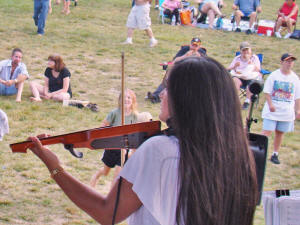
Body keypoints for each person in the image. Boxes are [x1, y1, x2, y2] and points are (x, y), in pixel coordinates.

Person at [28, 56, 258, 225]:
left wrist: (55, 167)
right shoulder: (238, 151)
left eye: (169, 88)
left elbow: (107, 212)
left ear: (187, 99)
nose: (162, 94)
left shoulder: (160, 149)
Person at [89, 89, 139, 188]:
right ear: (120, 100)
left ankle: (110, 197)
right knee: (105, 172)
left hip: (124, 150)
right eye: (124, 97)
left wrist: (133, 151)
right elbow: (103, 126)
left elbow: (136, 135)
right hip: (111, 147)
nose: (126, 99)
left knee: (117, 176)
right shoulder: (115, 113)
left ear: (133, 100)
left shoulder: (135, 116)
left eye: (129, 97)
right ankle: (96, 176)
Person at [261, 53, 300, 165]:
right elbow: (267, 92)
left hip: (286, 111)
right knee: (266, 132)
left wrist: (298, 110)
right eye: (287, 61)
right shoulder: (274, 75)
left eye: (291, 61)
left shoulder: (295, 78)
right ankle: (261, 152)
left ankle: (275, 154)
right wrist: (270, 104)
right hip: (272, 110)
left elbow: (297, 97)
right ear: (282, 62)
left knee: (280, 133)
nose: (289, 63)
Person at [147, 37, 207, 103]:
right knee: (169, 74)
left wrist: (199, 58)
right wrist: (185, 56)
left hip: (195, 74)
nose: (194, 48)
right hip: (182, 70)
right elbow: (174, 61)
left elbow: (205, 67)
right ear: (190, 44)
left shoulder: (202, 53)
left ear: (199, 47)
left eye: (196, 46)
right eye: (193, 45)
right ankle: (156, 96)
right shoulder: (185, 49)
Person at [228, 42, 261, 110]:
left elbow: (258, 70)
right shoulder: (237, 58)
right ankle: (235, 101)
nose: (245, 52)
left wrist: (252, 64)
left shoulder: (254, 58)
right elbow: (228, 69)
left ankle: (247, 101)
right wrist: (234, 66)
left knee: (251, 83)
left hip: (251, 77)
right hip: (240, 77)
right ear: (240, 51)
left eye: (247, 50)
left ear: (250, 50)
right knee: (235, 81)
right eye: (243, 50)